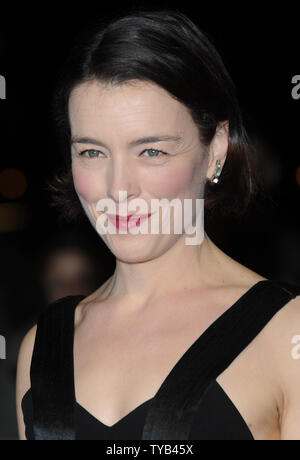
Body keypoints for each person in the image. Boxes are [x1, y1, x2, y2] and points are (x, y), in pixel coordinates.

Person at [16, 7, 300, 440]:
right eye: (92, 152)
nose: (118, 188)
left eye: (151, 151)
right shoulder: (42, 345)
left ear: (216, 149)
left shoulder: (286, 333)